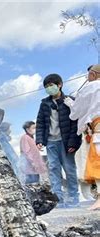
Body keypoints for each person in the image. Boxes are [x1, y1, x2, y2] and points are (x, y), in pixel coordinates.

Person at [36, 73, 82, 208]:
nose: (49, 88)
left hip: (66, 141)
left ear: (59, 85)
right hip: (51, 141)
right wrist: (39, 139)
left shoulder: (69, 101)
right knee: (53, 168)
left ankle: (73, 197)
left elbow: (75, 123)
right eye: (46, 87)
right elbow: (40, 123)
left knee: (69, 168)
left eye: (51, 85)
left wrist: (74, 142)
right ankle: (58, 199)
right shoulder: (44, 104)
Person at [65, 64, 100, 210]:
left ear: (93, 74)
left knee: (97, 160)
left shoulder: (92, 87)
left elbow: (76, 112)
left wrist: (70, 102)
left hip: (98, 126)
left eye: (88, 75)